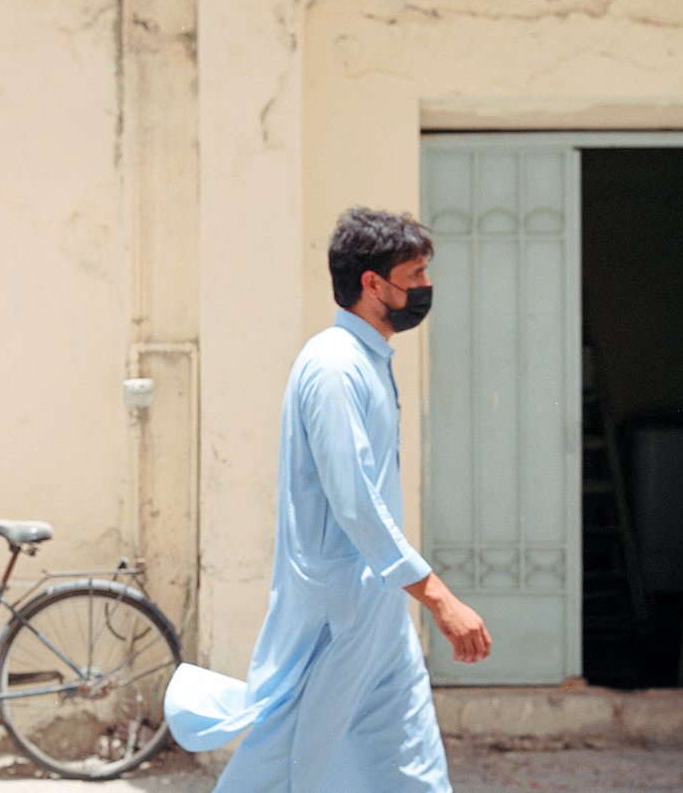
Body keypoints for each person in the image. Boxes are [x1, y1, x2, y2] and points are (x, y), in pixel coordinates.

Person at [164, 207, 491, 792]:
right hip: (338, 609)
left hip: (378, 607)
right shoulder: (336, 368)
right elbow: (354, 501)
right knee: (290, 762)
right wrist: (438, 598)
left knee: (407, 761)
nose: (424, 288)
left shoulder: (367, 361)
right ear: (372, 283)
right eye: (414, 275)